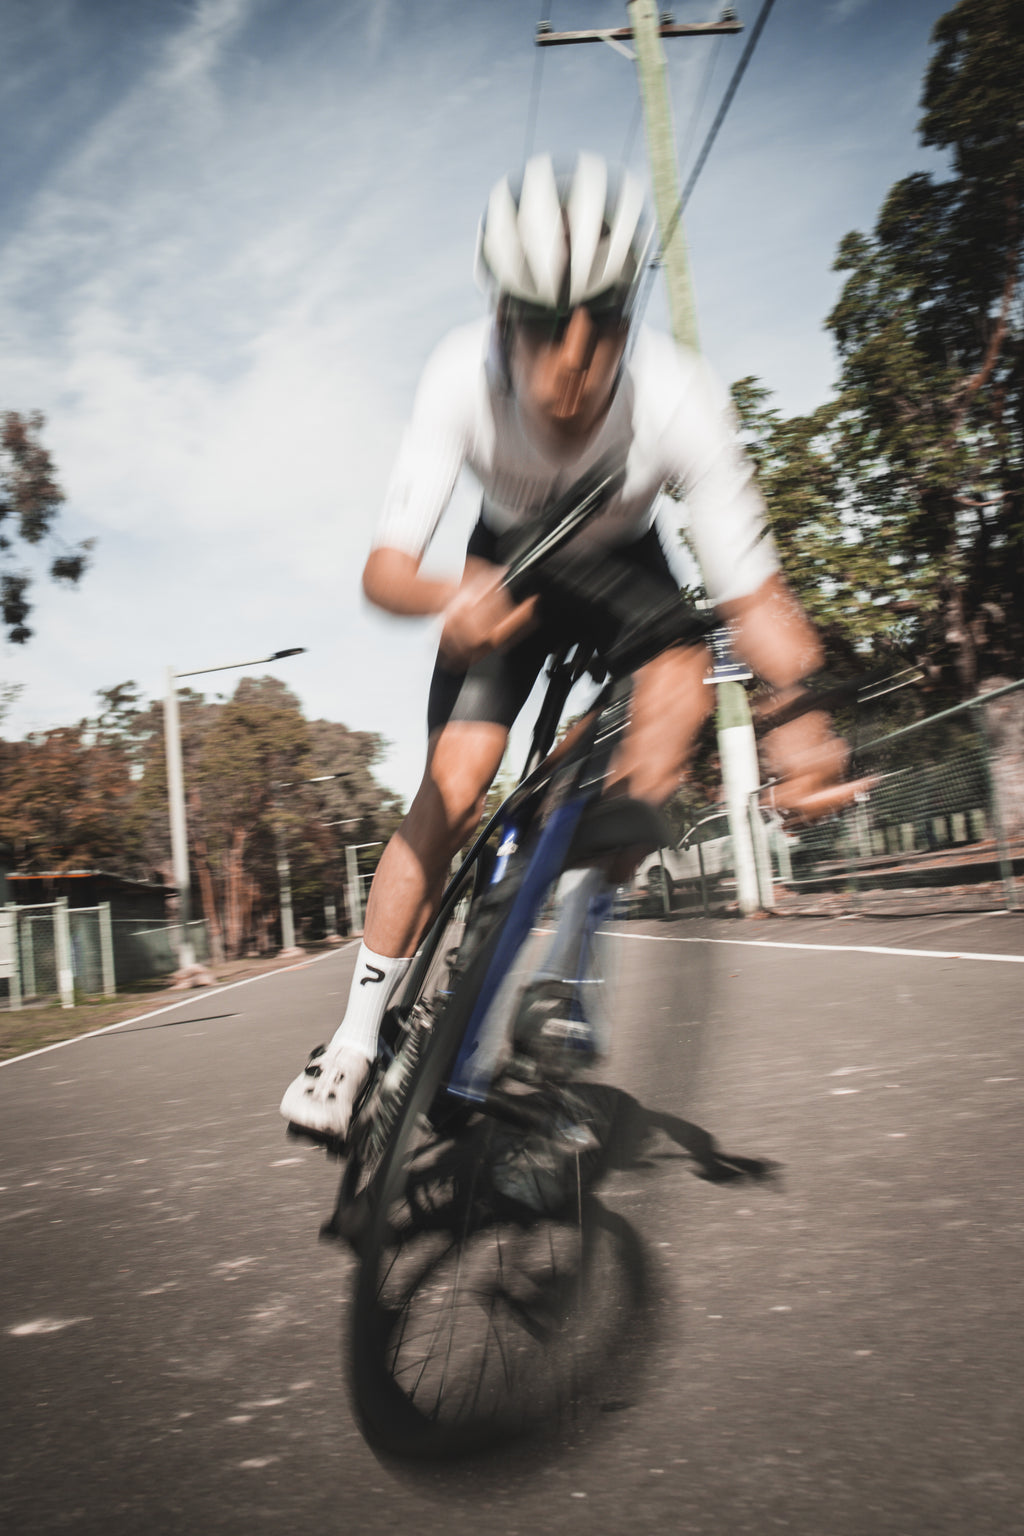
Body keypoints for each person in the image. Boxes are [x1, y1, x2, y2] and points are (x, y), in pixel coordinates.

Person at [281, 151, 852, 1143]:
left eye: (604, 323)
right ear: (503, 317)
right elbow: (383, 567)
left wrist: (802, 713)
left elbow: (751, 595)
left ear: (629, 317)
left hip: (621, 565)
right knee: (454, 789)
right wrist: (444, 598)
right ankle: (354, 1041)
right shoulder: (458, 375)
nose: (574, 360)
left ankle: (562, 984)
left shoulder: (676, 396)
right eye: (544, 325)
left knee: (673, 685)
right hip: (498, 571)